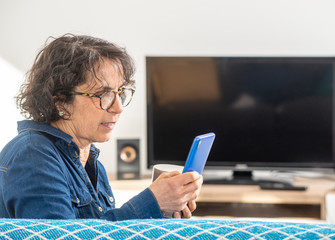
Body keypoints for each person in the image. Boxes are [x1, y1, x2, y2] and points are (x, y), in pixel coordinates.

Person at [0, 34, 203, 220]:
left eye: (119, 93)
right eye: (103, 95)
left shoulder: (90, 159)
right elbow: (65, 236)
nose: (118, 107)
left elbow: (102, 228)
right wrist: (152, 202)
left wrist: (162, 212)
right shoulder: (33, 155)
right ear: (61, 102)